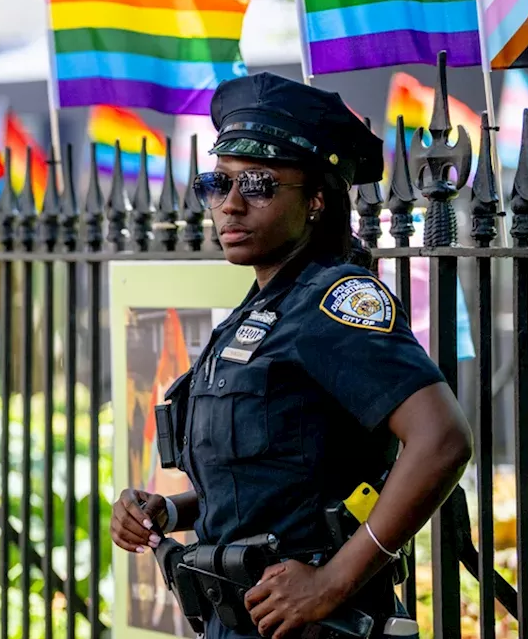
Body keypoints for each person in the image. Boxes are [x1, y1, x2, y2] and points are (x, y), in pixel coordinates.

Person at [109, 73, 473, 639]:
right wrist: (172, 510)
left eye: (257, 185)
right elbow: (278, 480)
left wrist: (331, 582)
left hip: (322, 624)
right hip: (242, 619)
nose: (229, 205)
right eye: (218, 183)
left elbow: (443, 440)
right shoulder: (260, 310)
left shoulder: (332, 303)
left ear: (316, 201)